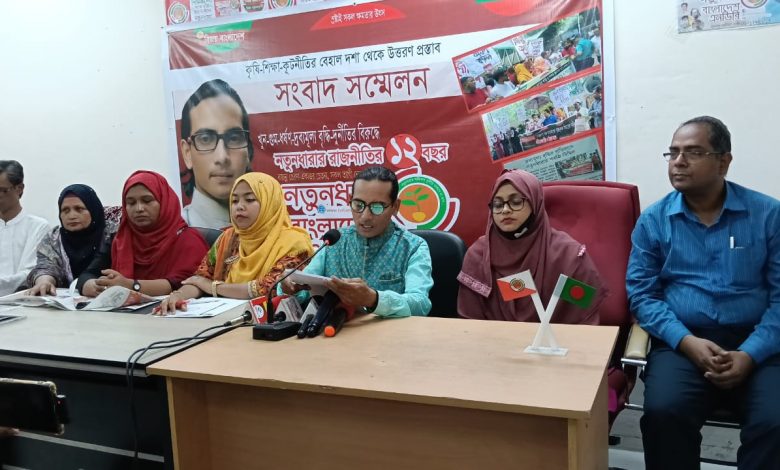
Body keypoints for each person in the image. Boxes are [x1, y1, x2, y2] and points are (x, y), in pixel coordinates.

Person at [626, 116, 780, 469]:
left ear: (724, 161)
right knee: (665, 412)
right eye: (673, 153)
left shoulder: (768, 215)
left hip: (759, 344)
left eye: (693, 152)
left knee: (775, 421)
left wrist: (750, 353)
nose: (678, 162)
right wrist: (686, 342)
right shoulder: (654, 220)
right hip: (683, 343)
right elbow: (642, 295)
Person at [281, 166, 433, 318]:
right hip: (337, 330)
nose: (365, 216)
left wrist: (373, 299)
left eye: (377, 207)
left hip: (392, 332)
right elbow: (304, 290)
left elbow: (420, 305)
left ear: (395, 206)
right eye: (358, 205)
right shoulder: (335, 241)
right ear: (350, 200)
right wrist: (290, 286)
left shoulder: (413, 247)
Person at [457, 169, 604, 323]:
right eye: (498, 204)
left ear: (535, 204)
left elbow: (585, 318)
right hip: (492, 337)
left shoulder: (568, 255)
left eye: (516, 202)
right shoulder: (478, 255)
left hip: (557, 337)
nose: (505, 210)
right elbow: (469, 322)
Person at [158, 173, 313, 313]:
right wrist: (179, 296)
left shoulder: (294, 243)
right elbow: (200, 278)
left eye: (250, 199)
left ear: (270, 203)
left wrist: (213, 287)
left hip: (270, 319)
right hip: (223, 316)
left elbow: (269, 287)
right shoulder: (228, 238)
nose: (239, 206)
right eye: (234, 200)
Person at [77, 170, 208, 297]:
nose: (139, 209)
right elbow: (88, 274)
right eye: (131, 203)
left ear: (164, 201)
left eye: (147, 200)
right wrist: (90, 285)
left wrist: (130, 285)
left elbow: (182, 282)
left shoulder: (188, 239)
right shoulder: (120, 239)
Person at [180, 79, 253, 229]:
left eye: (234, 138)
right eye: (206, 139)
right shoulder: (175, 235)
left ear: (248, 150)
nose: (222, 157)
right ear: (187, 153)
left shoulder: (270, 232)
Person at [26, 184, 120, 295]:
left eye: (79, 209)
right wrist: (44, 281)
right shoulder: (54, 238)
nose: (72, 216)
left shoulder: (112, 233)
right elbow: (46, 266)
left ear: (93, 210)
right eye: (65, 210)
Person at [0, 160, 49, 296]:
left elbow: (30, 273)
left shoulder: (38, 227)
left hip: (22, 300)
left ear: (20, 188)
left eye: (2, 190)